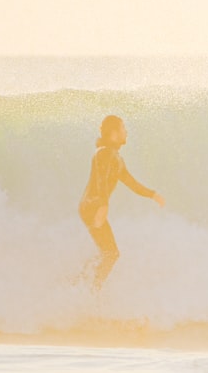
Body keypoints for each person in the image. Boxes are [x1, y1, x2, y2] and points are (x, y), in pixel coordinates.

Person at [78, 115, 165, 289]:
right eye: (123, 128)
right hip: (92, 207)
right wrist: (103, 207)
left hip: (93, 206)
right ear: (113, 133)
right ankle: (90, 288)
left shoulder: (115, 156)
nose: (126, 132)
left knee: (109, 253)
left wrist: (152, 194)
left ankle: (83, 282)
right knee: (111, 253)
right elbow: (101, 181)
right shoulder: (103, 153)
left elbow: (131, 183)